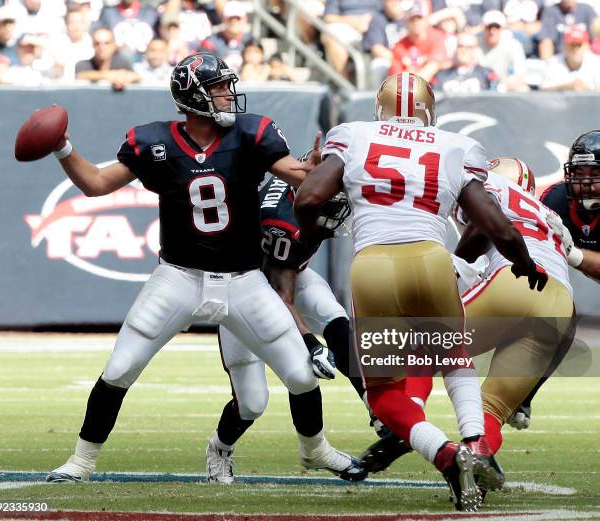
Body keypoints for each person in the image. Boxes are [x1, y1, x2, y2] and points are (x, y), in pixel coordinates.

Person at [43, 52, 364, 484]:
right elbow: (97, 184)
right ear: (193, 97)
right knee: (119, 369)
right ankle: (81, 461)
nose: (229, 95)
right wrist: (63, 147)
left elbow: (297, 174)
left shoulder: (252, 135)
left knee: (302, 376)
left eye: (228, 86)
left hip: (244, 279)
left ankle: (316, 450)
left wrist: (317, 170)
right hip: (179, 276)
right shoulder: (154, 143)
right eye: (219, 88)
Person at [294, 72, 547, 511]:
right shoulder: (455, 145)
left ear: (379, 109)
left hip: (372, 267)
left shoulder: (353, 135)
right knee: (452, 357)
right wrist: (523, 261)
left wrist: (321, 219)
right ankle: (477, 445)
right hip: (430, 260)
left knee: (385, 394)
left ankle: (446, 455)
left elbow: (307, 200)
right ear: (431, 113)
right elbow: (492, 220)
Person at [206, 172, 368, 483]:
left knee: (333, 319)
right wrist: (310, 342)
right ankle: (219, 448)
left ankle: (373, 410)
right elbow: (280, 295)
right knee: (251, 403)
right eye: (331, 208)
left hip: (286, 273)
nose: (336, 216)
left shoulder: (301, 188)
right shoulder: (282, 225)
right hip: (243, 291)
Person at [453, 157, 575, 462]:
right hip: (560, 305)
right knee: (491, 409)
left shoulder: (493, 188)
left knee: (415, 349)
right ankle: (476, 473)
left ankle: (398, 430)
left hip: (518, 278)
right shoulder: (547, 214)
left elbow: (484, 226)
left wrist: (456, 263)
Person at [507, 130, 600, 429]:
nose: (585, 181)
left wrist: (574, 255)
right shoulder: (555, 199)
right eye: (579, 172)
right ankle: (521, 395)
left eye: (594, 172)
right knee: (560, 317)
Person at [75, 27, 140, 90]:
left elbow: (136, 76)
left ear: (114, 45)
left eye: (106, 43)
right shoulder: (83, 64)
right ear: (92, 45)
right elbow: (81, 75)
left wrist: (122, 78)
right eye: (97, 43)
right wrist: (109, 76)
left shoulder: (122, 63)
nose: (101, 47)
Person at [433, 32, 499, 93]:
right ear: (455, 48)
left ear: (475, 49)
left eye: (469, 47)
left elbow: (495, 100)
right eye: (460, 46)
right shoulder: (441, 75)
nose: (464, 50)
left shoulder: (486, 74)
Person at [540, 27, 600, 91]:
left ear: (587, 46)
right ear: (565, 46)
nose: (576, 49)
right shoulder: (553, 63)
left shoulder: (596, 62)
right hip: (559, 101)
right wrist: (568, 86)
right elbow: (544, 91)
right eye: (572, 45)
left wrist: (588, 87)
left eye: (579, 45)